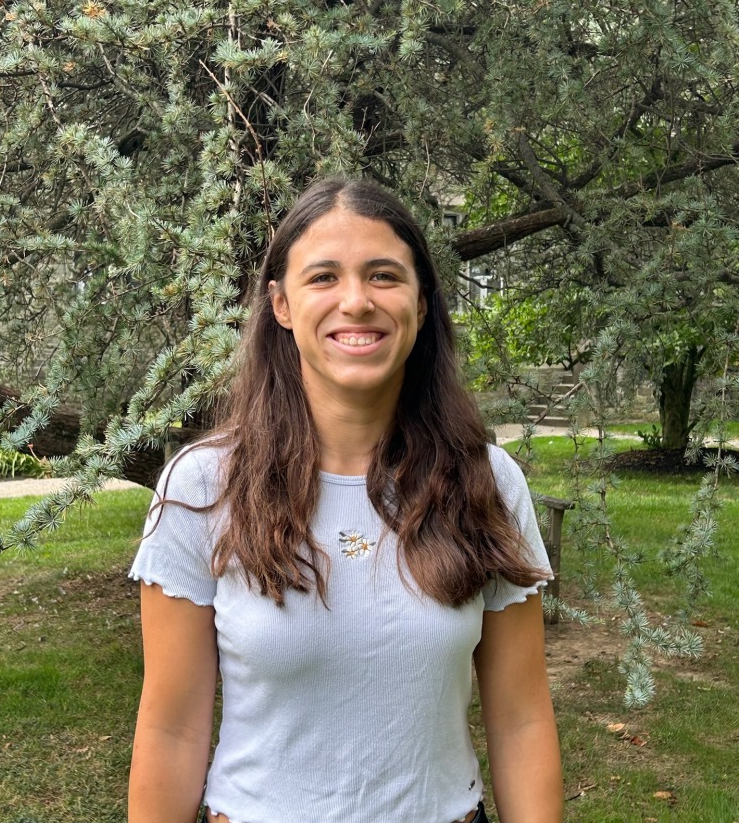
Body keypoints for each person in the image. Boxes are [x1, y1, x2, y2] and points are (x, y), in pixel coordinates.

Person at [128, 177, 563, 823]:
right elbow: (172, 731)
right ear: (281, 303)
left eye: (384, 275)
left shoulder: (488, 481)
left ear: (421, 302)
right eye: (324, 277)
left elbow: (522, 718)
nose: (356, 301)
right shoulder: (203, 485)